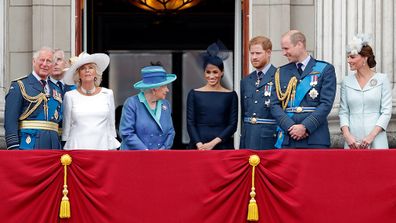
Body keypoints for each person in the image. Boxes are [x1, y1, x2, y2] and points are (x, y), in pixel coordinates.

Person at [271, 30, 337, 148]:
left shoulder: (325, 69)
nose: (284, 53)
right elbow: (274, 105)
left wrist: (305, 126)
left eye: (286, 48)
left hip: (315, 137)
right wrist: (290, 126)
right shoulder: (281, 72)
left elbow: (326, 104)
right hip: (288, 137)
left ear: (299, 44)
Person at [339, 34, 392, 149]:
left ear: (365, 58)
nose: (348, 61)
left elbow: (386, 111)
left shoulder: (382, 79)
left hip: (377, 139)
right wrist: (347, 136)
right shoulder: (346, 82)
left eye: (352, 57)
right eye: (348, 57)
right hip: (352, 142)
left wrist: (371, 136)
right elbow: (343, 112)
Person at [4, 46, 63, 149]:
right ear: (34, 61)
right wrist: (13, 147)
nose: (44, 64)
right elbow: (10, 121)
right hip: (28, 145)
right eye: (42, 60)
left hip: (53, 147)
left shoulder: (56, 89)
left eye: (48, 61)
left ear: (53, 65)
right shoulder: (20, 85)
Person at [62, 52, 120, 150]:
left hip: (103, 147)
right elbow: (66, 128)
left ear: (96, 72)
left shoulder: (108, 93)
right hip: (78, 148)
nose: (87, 71)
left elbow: (111, 126)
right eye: (83, 68)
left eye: (90, 67)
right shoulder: (70, 96)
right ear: (78, 74)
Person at [186, 42, 238, 150]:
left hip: (222, 145)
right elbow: (190, 123)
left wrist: (212, 143)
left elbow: (232, 125)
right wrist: (199, 144)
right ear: (204, 73)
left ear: (222, 72)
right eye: (208, 72)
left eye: (215, 72)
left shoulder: (231, 95)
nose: (211, 76)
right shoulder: (194, 94)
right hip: (198, 146)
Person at [119, 65, 176, 150]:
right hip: (134, 158)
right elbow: (126, 132)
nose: (167, 90)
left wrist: (163, 149)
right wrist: (146, 152)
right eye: (164, 86)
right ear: (154, 89)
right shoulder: (132, 103)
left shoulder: (165, 104)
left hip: (158, 158)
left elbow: (171, 132)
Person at [240, 36, 277, 150]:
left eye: (258, 53)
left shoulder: (279, 76)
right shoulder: (246, 80)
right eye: (252, 53)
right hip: (248, 138)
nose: (254, 57)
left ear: (268, 52)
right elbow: (244, 113)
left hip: (270, 139)